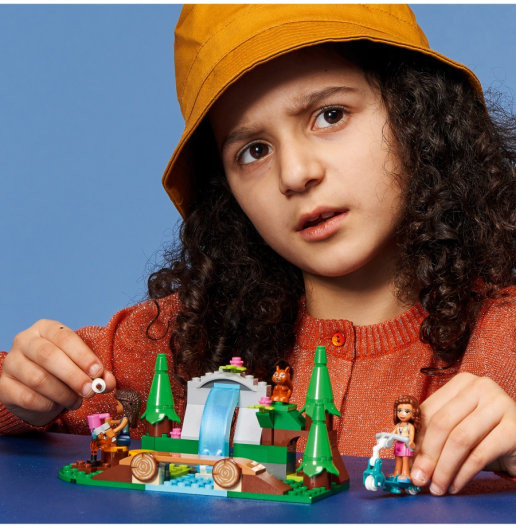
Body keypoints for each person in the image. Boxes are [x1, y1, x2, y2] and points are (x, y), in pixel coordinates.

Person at [0, 5, 514, 497]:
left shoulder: (502, 332)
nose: (296, 174)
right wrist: (24, 391)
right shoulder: (185, 338)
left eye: (330, 115)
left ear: (417, 115)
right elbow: (21, 391)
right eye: (254, 151)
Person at [391, 395, 421, 481]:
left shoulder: (410, 426)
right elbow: (393, 434)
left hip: (405, 445)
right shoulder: (398, 425)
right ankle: (397, 472)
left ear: (413, 413)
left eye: (407, 411)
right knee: (398, 459)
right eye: (399, 410)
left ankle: (405, 473)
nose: (402, 414)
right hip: (398, 445)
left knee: (405, 460)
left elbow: (411, 436)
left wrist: (410, 442)